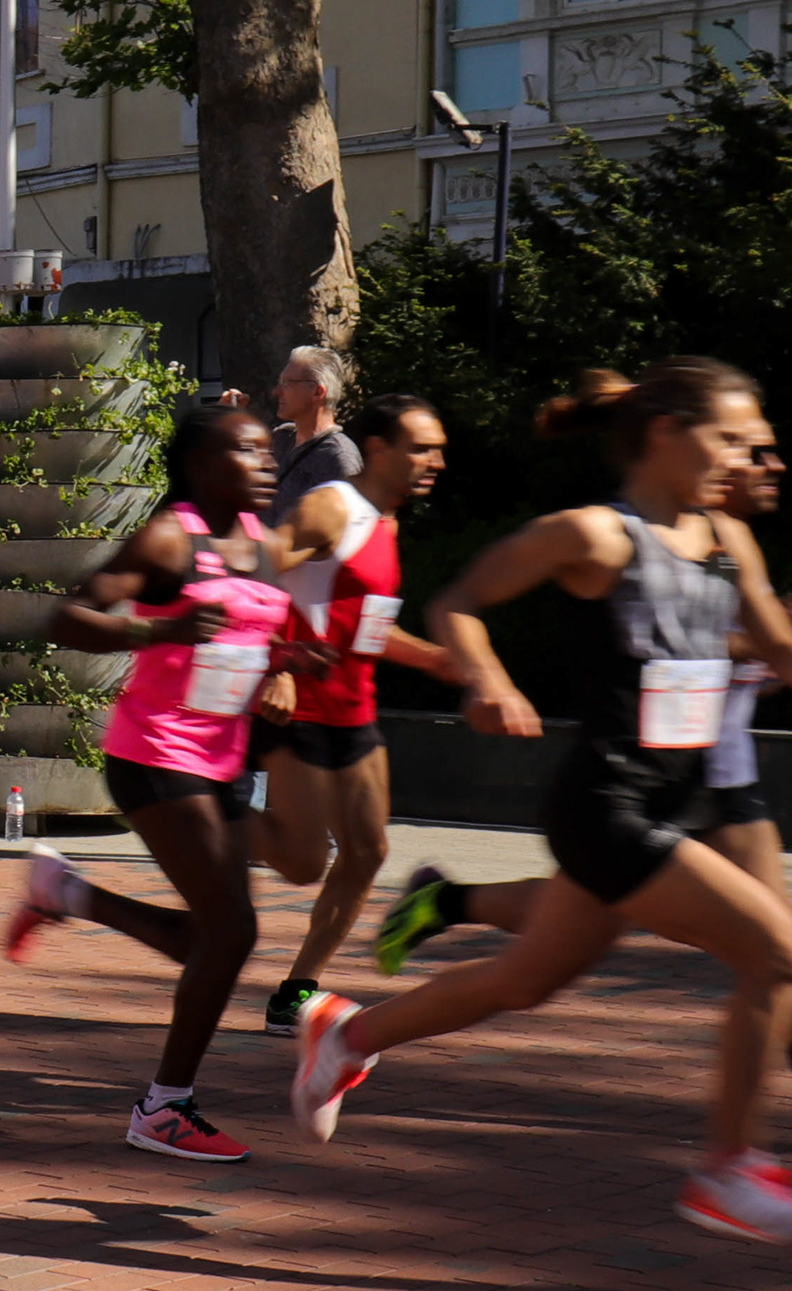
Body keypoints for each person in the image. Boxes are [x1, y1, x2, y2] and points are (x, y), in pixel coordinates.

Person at [298, 361, 792, 1237]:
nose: (740, 458)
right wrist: (486, 679)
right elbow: (460, 603)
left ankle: (347, 1037)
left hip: (681, 803)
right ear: (667, 434)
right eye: (727, 440)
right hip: (609, 806)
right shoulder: (595, 535)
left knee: (524, 980)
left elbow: (780, 651)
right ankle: (727, 1168)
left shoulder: (727, 539)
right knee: (776, 955)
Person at [1, 406, 300, 1160]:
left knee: (210, 939)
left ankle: (68, 895)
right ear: (200, 465)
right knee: (233, 932)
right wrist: (158, 629)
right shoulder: (171, 538)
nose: (266, 463)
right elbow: (67, 619)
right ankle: (164, 1108)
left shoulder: (265, 545)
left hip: (227, 760)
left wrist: (287, 670)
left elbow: (263, 637)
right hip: (157, 755)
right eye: (247, 452)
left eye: (268, 452)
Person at [247, 393, 461, 1028]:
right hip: (298, 712)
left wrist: (437, 660)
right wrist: (277, 663)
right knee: (303, 862)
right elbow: (255, 577)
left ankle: (295, 992)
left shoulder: (385, 524)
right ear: (377, 449)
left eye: (439, 450)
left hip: (353, 713)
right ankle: (191, 810)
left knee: (367, 852)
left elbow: (366, 627)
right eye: (421, 449)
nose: (436, 462)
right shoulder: (331, 507)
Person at [271, 344, 359, 522]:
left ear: (318, 392)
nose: (277, 392)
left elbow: (349, 526)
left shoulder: (338, 456)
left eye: (287, 383)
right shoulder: (281, 439)